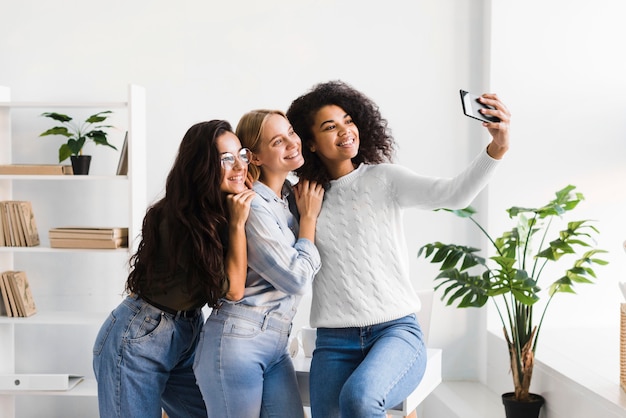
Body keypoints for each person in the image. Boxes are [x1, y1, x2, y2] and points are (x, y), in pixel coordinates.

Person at [286, 80, 511, 418]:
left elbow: (454, 194)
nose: (345, 131)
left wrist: (498, 147)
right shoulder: (302, 198)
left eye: (348, 120)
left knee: (359, 400)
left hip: (394, 333)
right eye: (330, 127)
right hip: (332, 341)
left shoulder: (384, 179)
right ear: (311, 143)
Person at [93, 120, 256, 418]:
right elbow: (233, 289)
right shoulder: (179, 220)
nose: (239, 166)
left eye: (241, 155)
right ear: (202, 166)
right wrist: (237, 223)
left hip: (188, 330)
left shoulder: (217, 210)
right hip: (140, 336)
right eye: (226, 159)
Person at [193, 109, 325, 418]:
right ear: (254, 157)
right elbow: (296, 279)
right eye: (278, 140)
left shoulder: (289, 199)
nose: (293, 143)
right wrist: (309, 221)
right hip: (239, 340)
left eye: (291, 132)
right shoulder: (253, 206)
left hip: (276, 344)